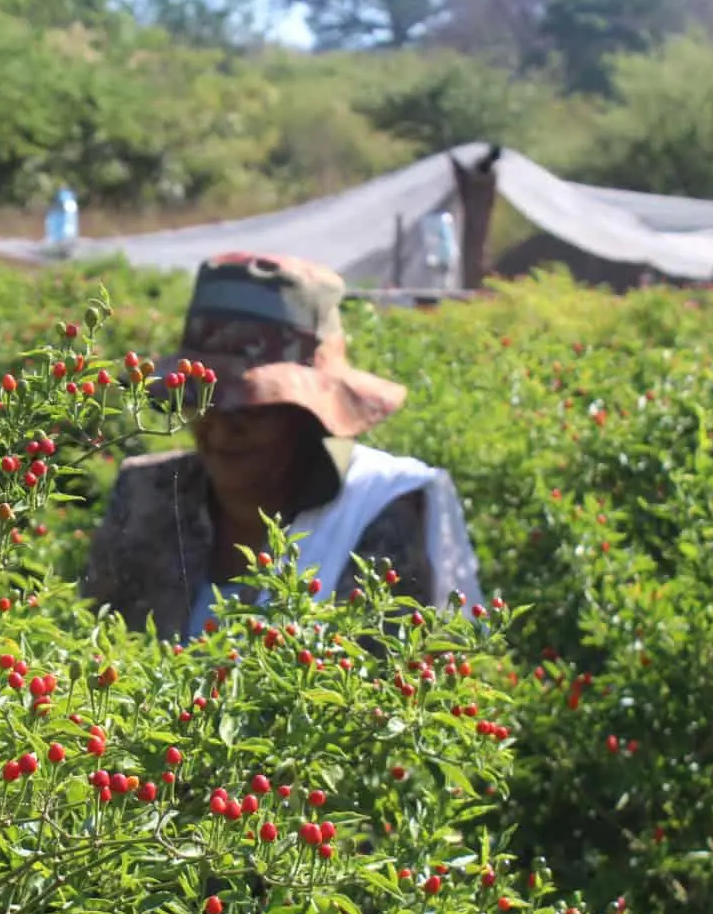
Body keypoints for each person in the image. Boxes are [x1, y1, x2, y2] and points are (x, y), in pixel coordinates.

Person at [82, 252, 483, 642]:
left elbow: (390, 686)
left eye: (253, 409)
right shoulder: (149, 493)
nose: (222, 429)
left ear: (306, 417)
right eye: (205, 402)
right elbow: (98, 642)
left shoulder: (381, 507)